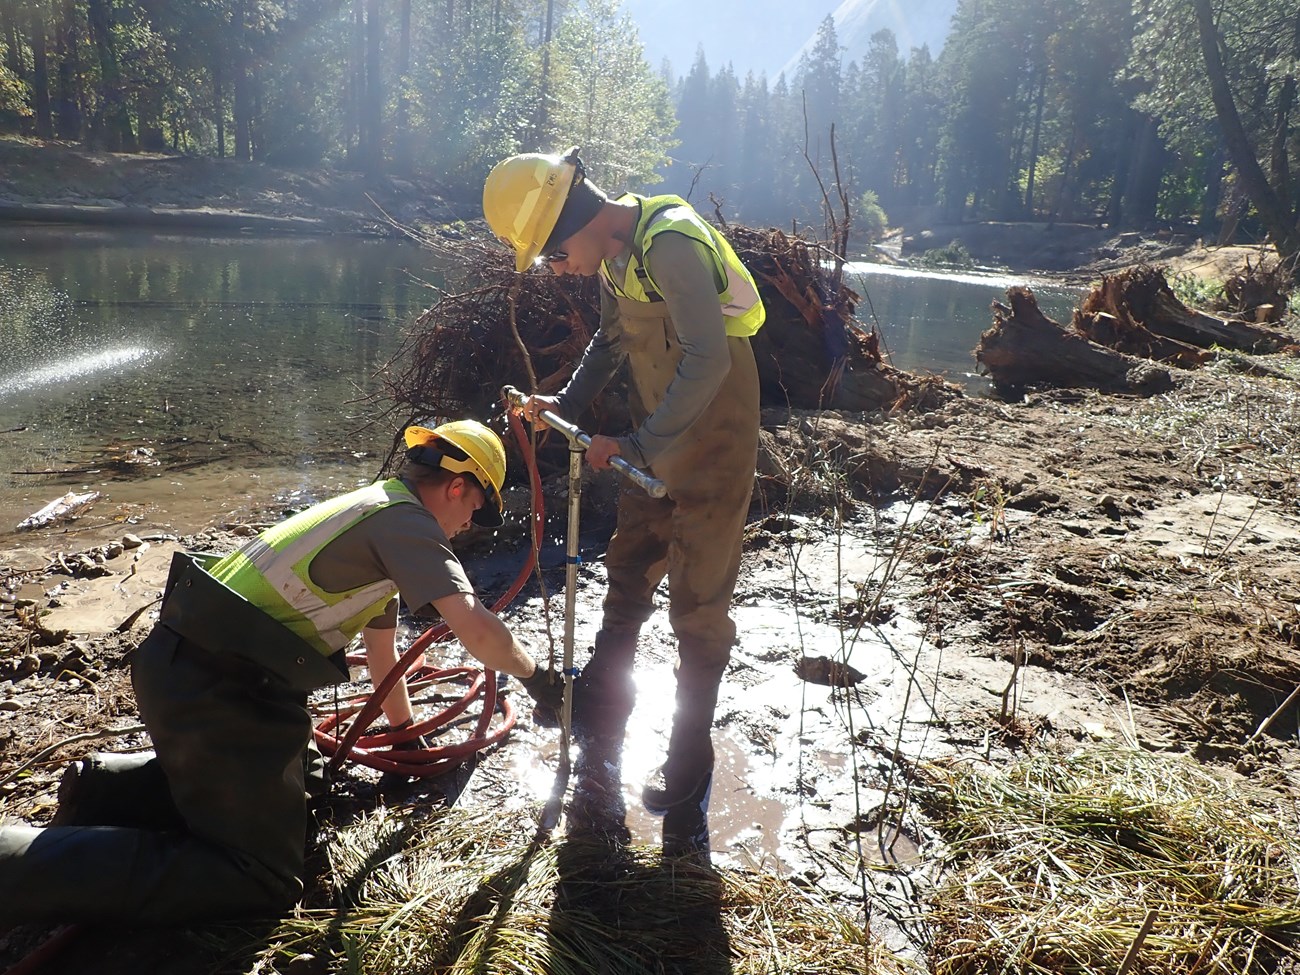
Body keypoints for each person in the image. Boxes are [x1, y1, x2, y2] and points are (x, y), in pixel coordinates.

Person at [0, 420, 561, 923]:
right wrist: (539, 679)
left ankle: (104, 786)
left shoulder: (374, 508)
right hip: (220, 692)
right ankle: (15, 863)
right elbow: (480, 630)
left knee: (308, 777)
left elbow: (384, 659)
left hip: (199, 672)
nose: (469, 524)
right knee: (258, 876)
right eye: (478, 508)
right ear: (458, 486)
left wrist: (402, 741)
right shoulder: (409, 527)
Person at [483, 148, 764, 822]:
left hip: (714, 445)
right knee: (629, 565)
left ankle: (691, 754)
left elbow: (709, 356)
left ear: (576, 221)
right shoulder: (614, 258)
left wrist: (637, 446)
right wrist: (568, 406)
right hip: (655, 439)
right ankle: (608, 697)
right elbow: (610, 344)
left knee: (697, 603)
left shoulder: (667, 245)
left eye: (553, 255)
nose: (557, 270)